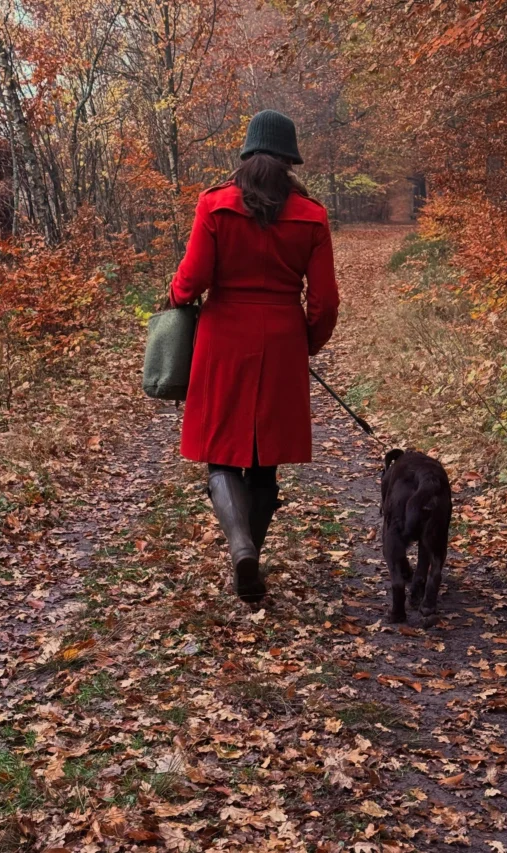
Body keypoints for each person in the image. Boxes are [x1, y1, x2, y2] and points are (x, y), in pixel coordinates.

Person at [169, 109, 339, 603]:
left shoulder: (215, 205)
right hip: (283, 335)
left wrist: (174, 297)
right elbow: (326, 300)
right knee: (265, 462)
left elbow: (193, 279)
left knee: (222, 452)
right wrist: (305, 341)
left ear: (245, 155)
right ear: (289, 161)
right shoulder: (312, 216)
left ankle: (240, 544)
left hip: (224, 338)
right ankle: (251, 558)